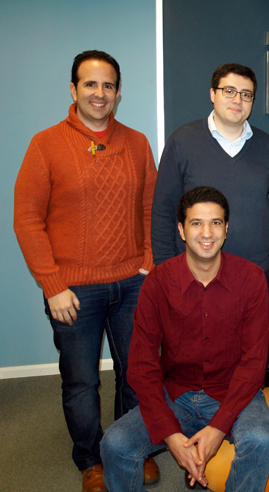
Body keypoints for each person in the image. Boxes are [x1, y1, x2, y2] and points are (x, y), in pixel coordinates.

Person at [13, 50, 158, 492]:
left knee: (137, 374)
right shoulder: (46, 143)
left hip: (132, 283)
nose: (100, 93)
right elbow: (26, 218)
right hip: (73, 289)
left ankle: (129, 448)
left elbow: (152, 207)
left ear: (118, 92)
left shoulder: (136, 143)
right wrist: (53, 284)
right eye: (90, 84)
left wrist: (149, 263)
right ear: (73, 90)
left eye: (108, 85)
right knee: (82, 383)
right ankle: (91, 459)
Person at [101, 187, 269, 492]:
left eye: (215, 223)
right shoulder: (158, 282)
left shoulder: (251, 279)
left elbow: (253, 362)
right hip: (176, 391)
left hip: (233, 390)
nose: (206, 232)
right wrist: (170, 434)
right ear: (182, 230)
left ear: (227, 229)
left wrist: (218, 427)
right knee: (114, 444)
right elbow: (141, 363)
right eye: (197, 223)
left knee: (261, 441)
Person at [151, 63, 269, 295]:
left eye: (246, 94)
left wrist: (258, 222)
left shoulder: (266, 146)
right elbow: (163, 210)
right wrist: (165, 268)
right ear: (212, 93)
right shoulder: (182, 141)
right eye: (229, 91)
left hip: (252, 273)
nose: (237, 100)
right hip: (194, 276)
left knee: (254, 333)